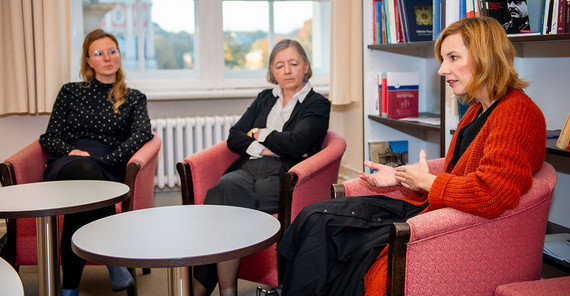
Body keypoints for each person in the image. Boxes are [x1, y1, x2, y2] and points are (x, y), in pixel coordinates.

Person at [276, 16, 546, 296]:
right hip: (432, 207)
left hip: (443, 220)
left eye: (453, 58)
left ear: (486, 57)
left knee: (325, 224)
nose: (442, 70)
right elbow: (463, 175)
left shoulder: (517, 113)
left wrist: (426, 183)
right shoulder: (479, 109)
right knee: (314, 216)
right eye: (443, 59)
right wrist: (402, 177)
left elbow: (491, 193)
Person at [192, 39, 331, 296]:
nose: (287, 70)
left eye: (293, 64)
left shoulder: (318, 104)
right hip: (249, 168)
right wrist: (265, 147)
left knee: (221, 205)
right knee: (226, 188)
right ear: (272, 71)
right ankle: (226, 291)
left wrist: (259, 133)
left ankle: (206, 292)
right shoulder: (265, 98)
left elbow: (297, 143)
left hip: (284, 175)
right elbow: (235, 136)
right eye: (279, 65)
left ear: (306, 66)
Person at [39, 29, 153, 296]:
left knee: (79, 209)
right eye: (99, 53)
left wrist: (107, 160)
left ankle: (69, 289)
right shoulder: (70, 92)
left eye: (112, 51)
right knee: (85, 170)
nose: (107, 57)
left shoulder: (134, 97)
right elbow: (49, 137)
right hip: (69, 164)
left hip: (109, 167)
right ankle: (113, 261)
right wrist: (73, 152)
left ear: (119, 55)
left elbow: (142, 134)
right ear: (88, 61)